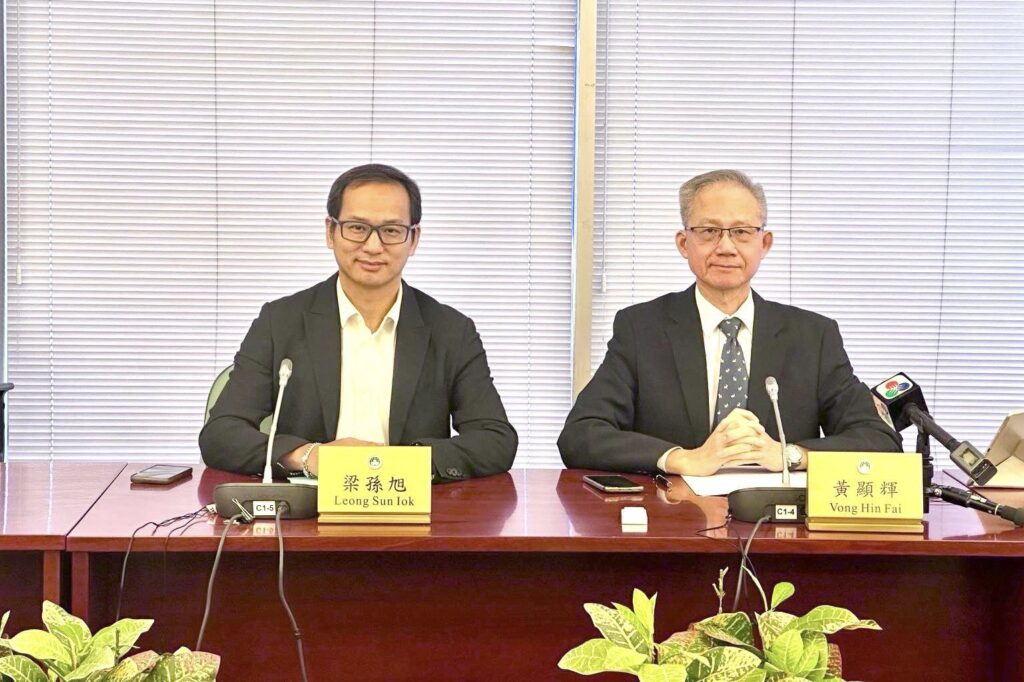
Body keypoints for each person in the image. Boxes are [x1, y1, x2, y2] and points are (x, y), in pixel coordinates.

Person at [558, 169, 901, 475]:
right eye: (709, 231)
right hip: (677, 515)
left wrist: (788, 455)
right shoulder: (642, 329)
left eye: (741, 232)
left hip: (777, 519)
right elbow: (580, 434)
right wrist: (682, 458)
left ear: (764, 243)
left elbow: (879, 439)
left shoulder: (812, 336)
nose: (725, 247)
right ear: (684, 243)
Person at [200, 164, 517, 481]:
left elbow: (495, 440)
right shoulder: (280, 322)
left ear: (413, 239)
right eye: (356, 227)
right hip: (309, 502)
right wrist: (310, 456)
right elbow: (221, 434)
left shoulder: (451, 331)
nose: (373, 246)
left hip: (407, 500)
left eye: (391, 230)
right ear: (330, 231)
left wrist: (401, 463)